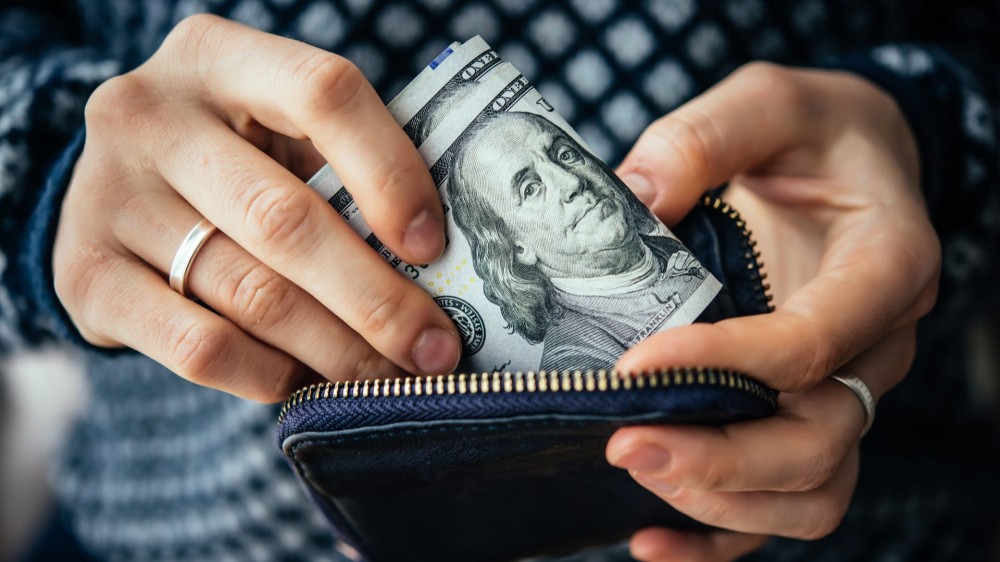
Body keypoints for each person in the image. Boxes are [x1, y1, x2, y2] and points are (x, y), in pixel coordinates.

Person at [1, 2, 997, 562]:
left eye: (554, 169)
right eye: (528, 182)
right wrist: (54, 195)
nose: (571, 186)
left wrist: (928, 134)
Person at [448, 111, 707, 370]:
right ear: (516, 247)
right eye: (531, 188)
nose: (572, 182)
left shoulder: (674, 246)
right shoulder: (577, 365)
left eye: (565, 155)